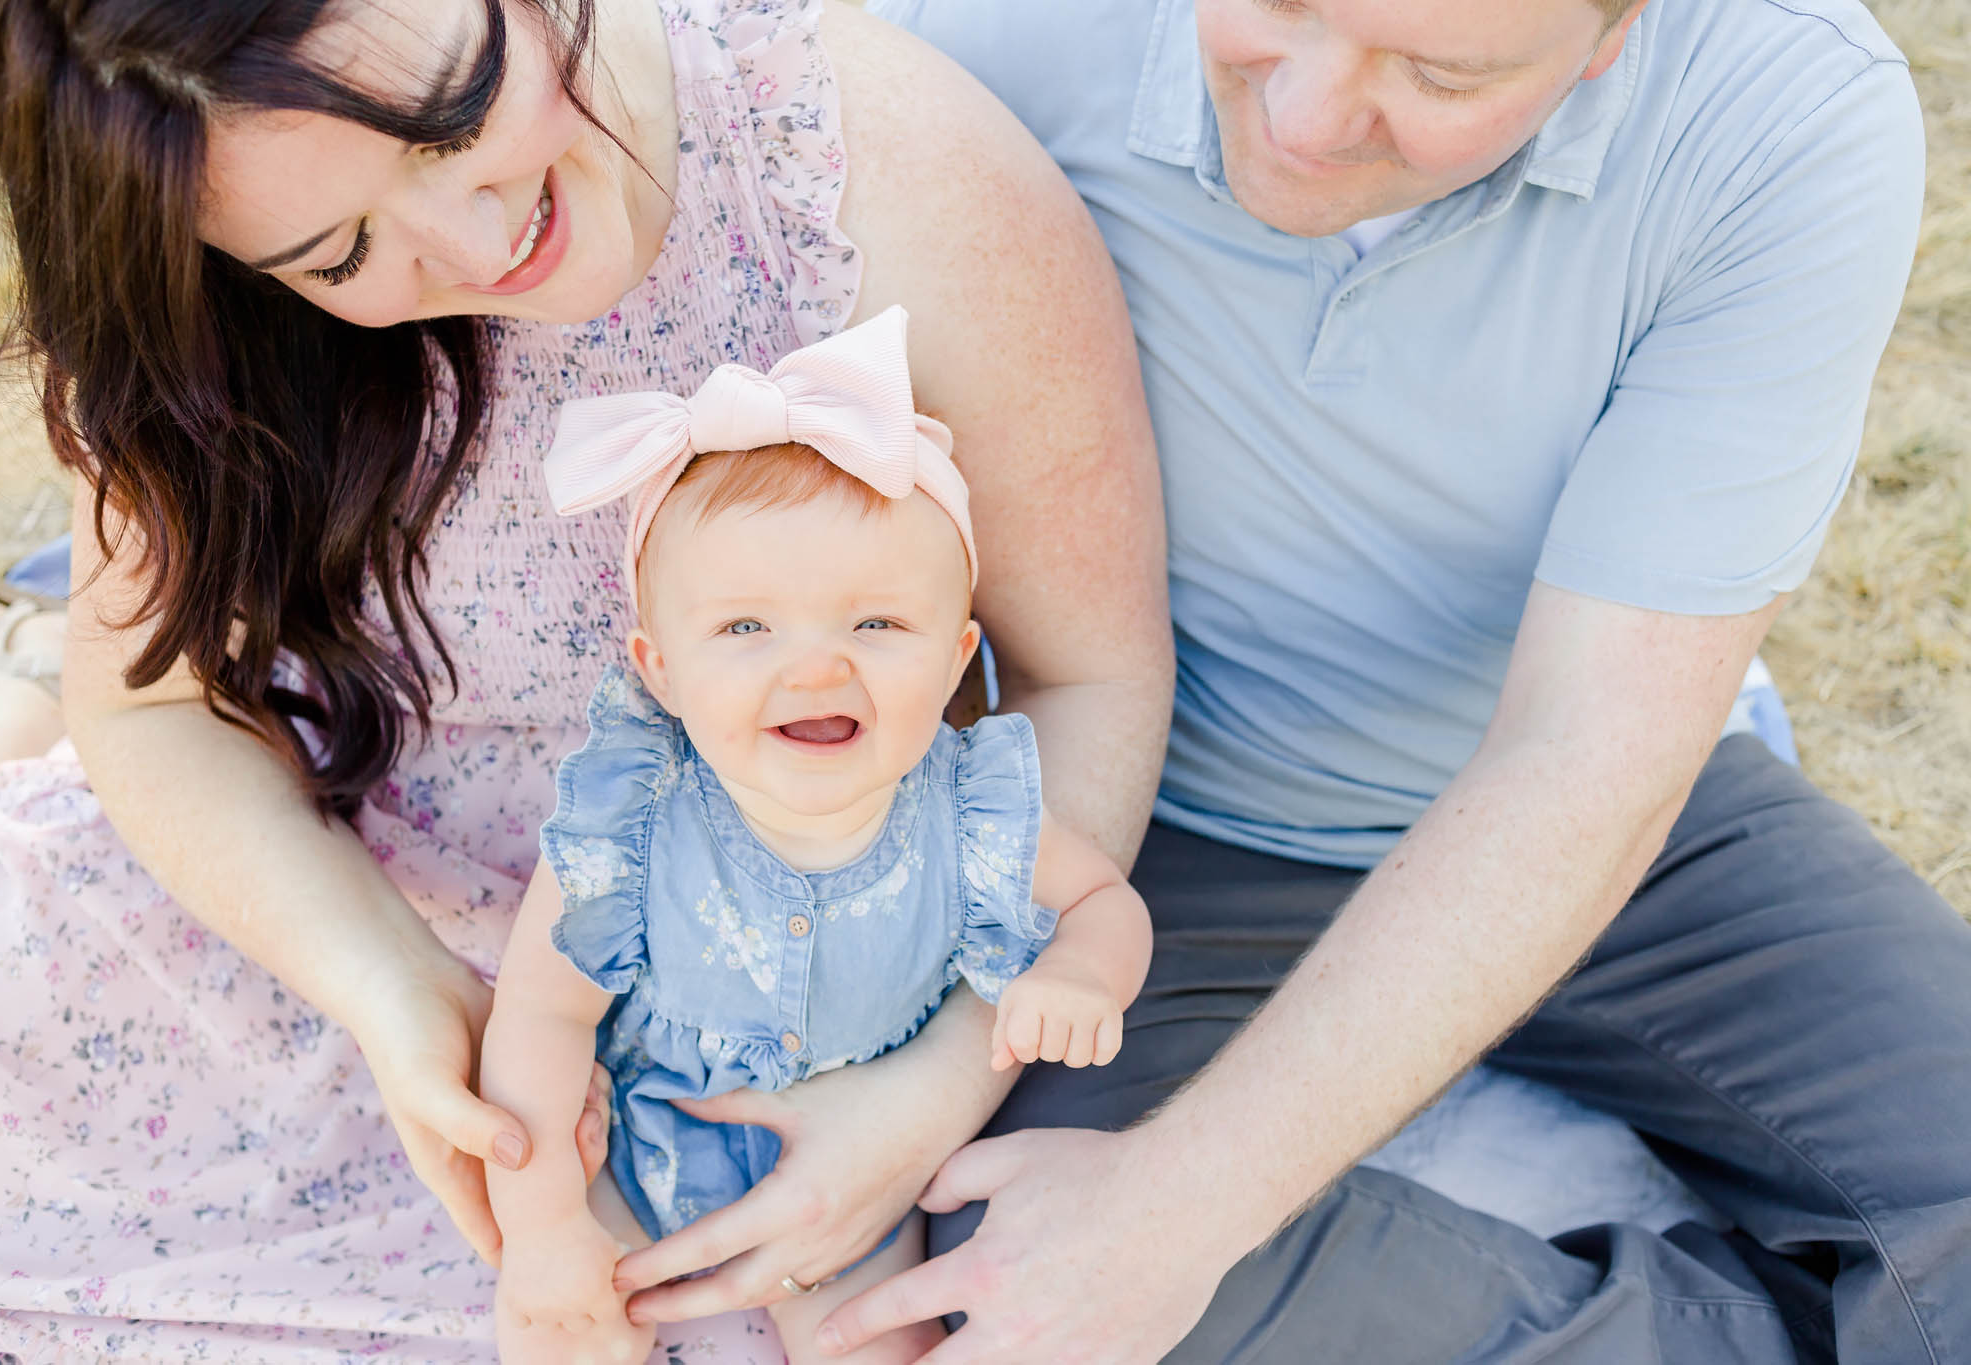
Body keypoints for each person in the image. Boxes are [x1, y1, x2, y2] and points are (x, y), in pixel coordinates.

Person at [704, 0, 1951, 1359]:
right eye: (1281, 3)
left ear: (1611, 35)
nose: (1302, 120)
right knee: (1019, 1297)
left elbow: (1593, 752)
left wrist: (1176, 1208)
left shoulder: (1789, 108)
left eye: (1437, 69)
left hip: (1613, 798)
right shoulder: (961, 32)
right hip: (1150, 828)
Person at [0, 0, 1170, 1358]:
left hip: (748, 1012)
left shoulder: (890, 171)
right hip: (328, 920)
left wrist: (929, 1085)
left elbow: (1090, 677)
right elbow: (157, 700)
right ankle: (13, 687)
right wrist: (396, 995)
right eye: (337, 255)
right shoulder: (194, 282)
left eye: (458, 113)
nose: (477, 244)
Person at [480, 306, 1152, 1364]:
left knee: (877, 1343)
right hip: (639, 1152)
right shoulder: (632, 823)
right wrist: (545, 1224)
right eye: (746, 628)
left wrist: (1079, 975)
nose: (815, 667)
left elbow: (1102, 901)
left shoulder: (967, 811)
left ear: (955, 657)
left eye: (876, 624)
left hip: (862, 1177)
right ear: (659, 669)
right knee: (562, 1325)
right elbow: (541, 1019)